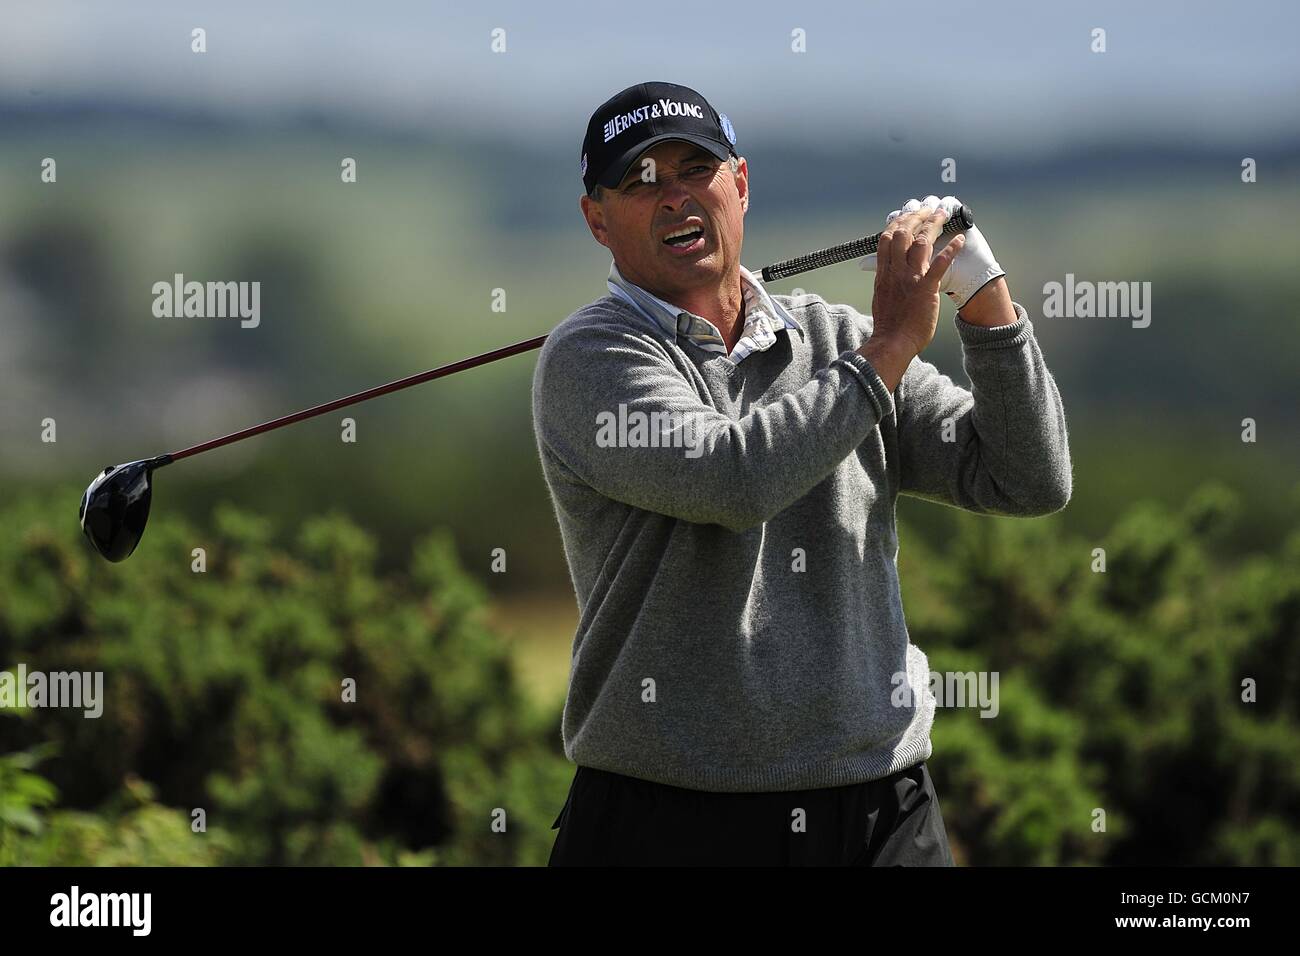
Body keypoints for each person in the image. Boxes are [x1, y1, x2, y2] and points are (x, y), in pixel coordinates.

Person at [530, 81, 1072, 865]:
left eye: (694, 168)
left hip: (883, 806)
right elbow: (733, 479)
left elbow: (1027, 478)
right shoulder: (592, 359)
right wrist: (887, 351)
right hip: (670, 818)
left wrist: (985, 301)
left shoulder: (834, 337)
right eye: (640, 181)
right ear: (598, 221)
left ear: (739, 185)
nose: (674, 197)